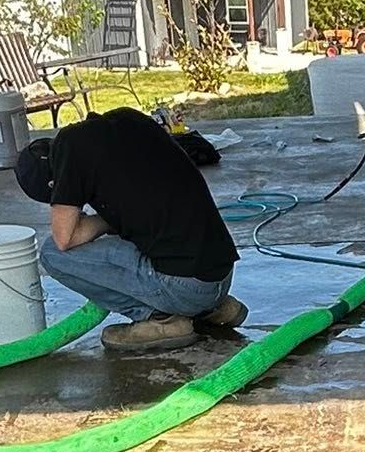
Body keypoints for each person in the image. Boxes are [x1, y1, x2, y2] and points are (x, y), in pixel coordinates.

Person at [14, 110, 246, 353]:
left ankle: (161, 321)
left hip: (186, 287)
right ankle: (211, 309)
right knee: (139, 238)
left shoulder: (69, 150)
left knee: (52, 254)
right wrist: (112, 219)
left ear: (53, 183)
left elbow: (65, 238)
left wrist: (100, 221)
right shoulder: (126, 120)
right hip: (221, 275)